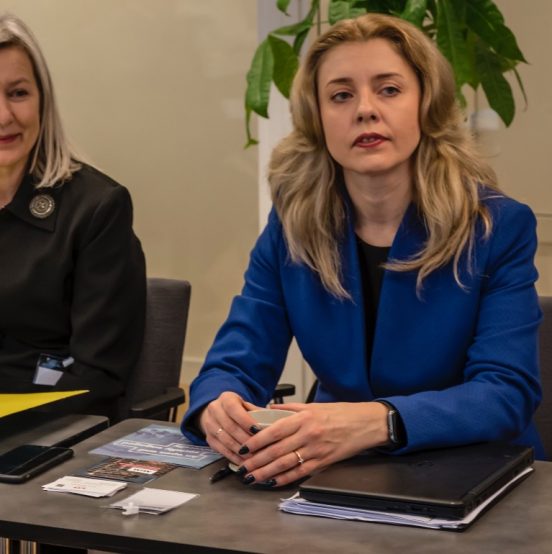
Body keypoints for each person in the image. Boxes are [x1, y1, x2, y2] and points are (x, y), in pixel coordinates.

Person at [182, 13, 545, 487]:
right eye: (341, 95)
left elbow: (505, 393)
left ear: (426, 104)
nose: (365, 110)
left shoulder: (496, 226)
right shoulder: (293, 225)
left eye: (389, 90)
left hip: (473, 472)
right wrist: (217, 407)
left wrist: (379, 421)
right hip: (334, 470)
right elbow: (235, 361)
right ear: (317, 118)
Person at [0, 13, 146, 421]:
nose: (4, 116)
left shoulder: (98, 208)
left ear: (43, 100)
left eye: (18, 93)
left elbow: (97, 378)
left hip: (50, 428)